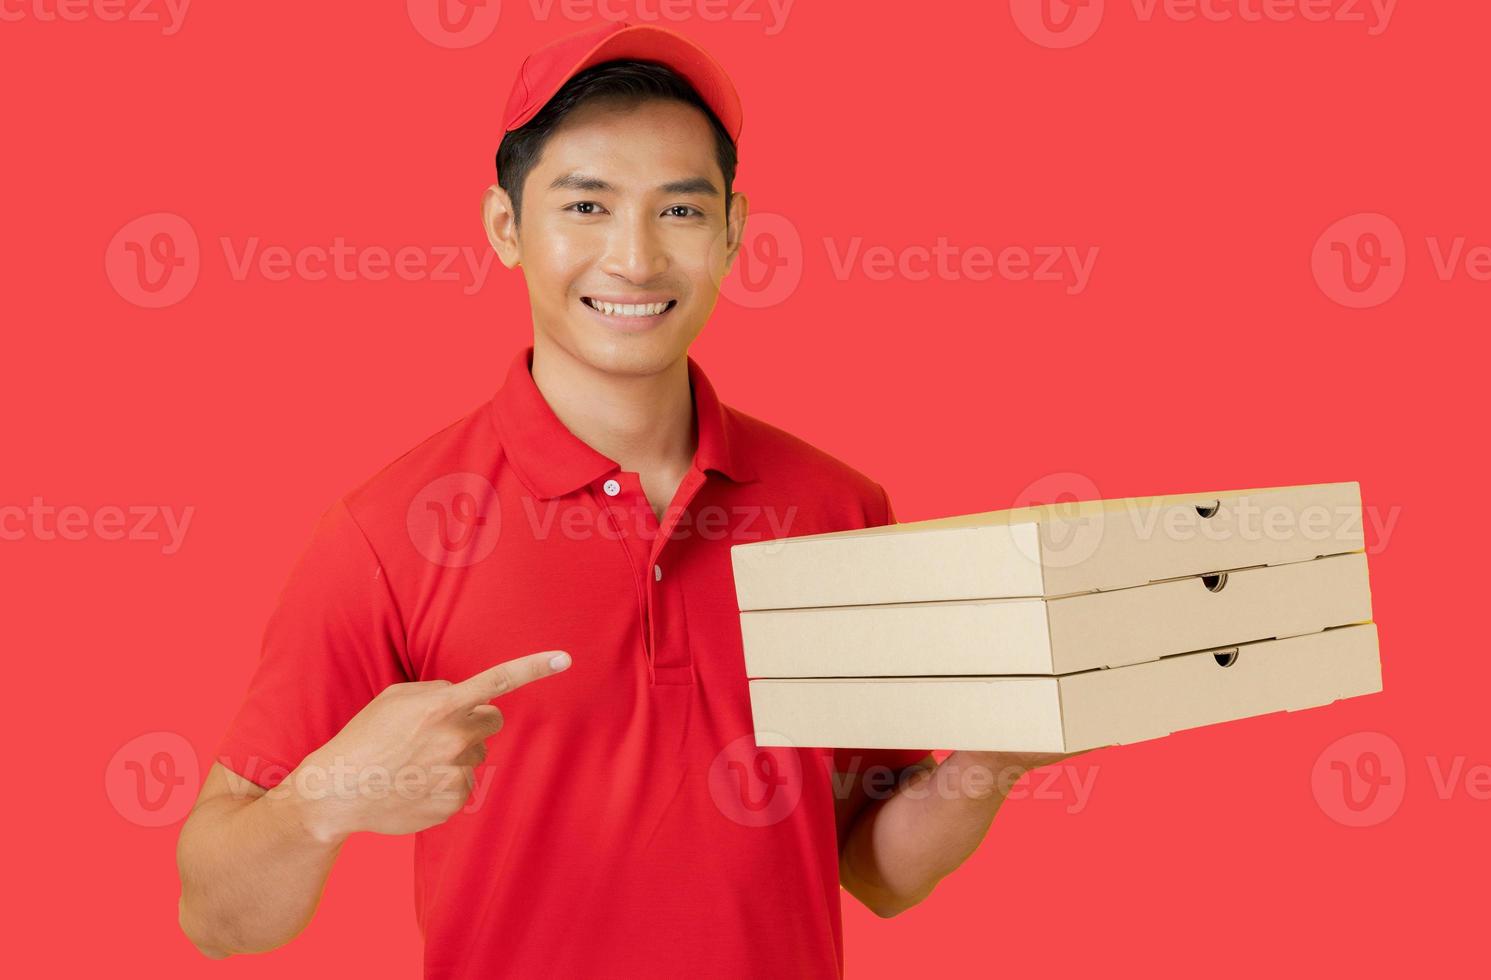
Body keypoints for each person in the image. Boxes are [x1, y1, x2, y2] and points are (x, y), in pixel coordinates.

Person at [174, 21, 1068, 978]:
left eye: (679, 212)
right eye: (587, 206)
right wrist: (326, 801)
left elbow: (875, 870)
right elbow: (217, 915)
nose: (635, 259)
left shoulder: (836, 508)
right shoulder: (389, 532)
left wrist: (998, 756)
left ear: (733, 231)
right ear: (505, 228)